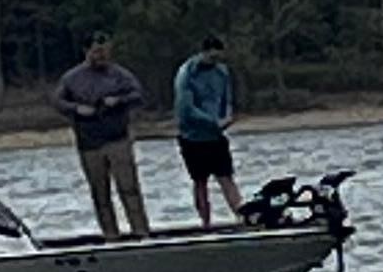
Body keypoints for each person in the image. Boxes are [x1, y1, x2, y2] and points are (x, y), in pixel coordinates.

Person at [53, 34, 150, 238]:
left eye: (105, 51)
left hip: (118, 139)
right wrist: (77, 109)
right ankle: (110, 235)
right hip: (89, 143)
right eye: (97, 52)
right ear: (86, 52)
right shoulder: (71, 78)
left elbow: (138, 95)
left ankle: (141, 232)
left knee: (129, 188)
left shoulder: (120, 75)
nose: (101, 56)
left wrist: (119, 100)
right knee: (100, 193)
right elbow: (58, 102)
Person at [172, 33, 247, 226]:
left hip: (215, 136)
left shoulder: (222, 72)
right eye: (212, 57)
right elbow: (186, 108)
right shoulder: (187, 73)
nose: (215, 61)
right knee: (200, 181)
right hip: (192, 136)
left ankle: (242, 216)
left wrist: (227, 116)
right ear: (203, 53)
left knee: (226, 177)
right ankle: (205, 222)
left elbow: (226, 99)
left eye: (218, 58)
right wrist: (212, 122)